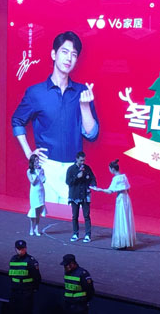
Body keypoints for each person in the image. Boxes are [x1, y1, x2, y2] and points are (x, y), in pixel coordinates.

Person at [12, 31, 99, 204]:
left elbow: (92, 134)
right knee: (44, 216)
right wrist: (29, 153)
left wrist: (84, 107)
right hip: (46, 167)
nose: (69, 58)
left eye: (74, 54)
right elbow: (17, 121)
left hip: (74, 168)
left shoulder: (82, 92)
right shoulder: (36, 92)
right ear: (54, 54)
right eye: (64, 52)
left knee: (72, 217)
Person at [95, 159, 137, 249]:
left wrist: (100, 189)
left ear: (112, 169)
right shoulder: (124, 177)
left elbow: (110, 191)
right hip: (126, 198)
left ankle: (122, 242)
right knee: (126, 218)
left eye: (109, 169)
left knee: (121, 218)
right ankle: (127, 241)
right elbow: (127, 189)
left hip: (121, 199)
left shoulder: (116, 179)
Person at [65, 152, 96, 242]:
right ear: (77, 159)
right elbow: (68, 182)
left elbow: (93, 178)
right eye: (81, 160)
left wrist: (93, 185)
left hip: (85, 195)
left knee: (86, 216)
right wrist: (77, 177)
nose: (83, 162)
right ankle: (75, 234)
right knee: (75, 216)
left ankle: (88, 235)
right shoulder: (71, 169)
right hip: (75, 196)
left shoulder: (87, 168)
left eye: (84, 160)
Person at [8, 240, 41, 314]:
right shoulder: (13, 259)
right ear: (15, 249)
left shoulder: (31, 261)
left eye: (22, 249)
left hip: (26, 292)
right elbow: (11, 275)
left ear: (26, 248)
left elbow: (37, 277)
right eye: (19, 249)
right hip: (14, 291)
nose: (20, 251)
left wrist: (33, 289)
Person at [26, 154, 46, 236]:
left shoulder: (41, 169)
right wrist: (37, 173)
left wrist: (41, 174)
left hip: (41, 191)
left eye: (38, 160)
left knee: (38, 211)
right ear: (32, 162)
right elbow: (33, 182)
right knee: (33, 210)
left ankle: (36, 228)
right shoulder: (29, 171)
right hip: (34, 192)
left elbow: (43, 180)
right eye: (36, 160)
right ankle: (31, 227)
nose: (37, 162)